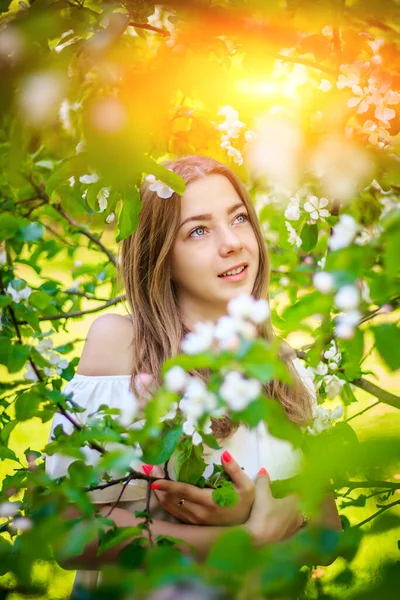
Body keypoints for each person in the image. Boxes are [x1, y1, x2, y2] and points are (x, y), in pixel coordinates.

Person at [45, 155, 341, 591]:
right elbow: (71, 536)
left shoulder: (282, 364)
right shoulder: (124, 347)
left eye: (239, 218)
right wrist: (242, 537)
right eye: (198, 230)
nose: (232, 242)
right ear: (160, 255)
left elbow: (328, 536)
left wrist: (263, 511)